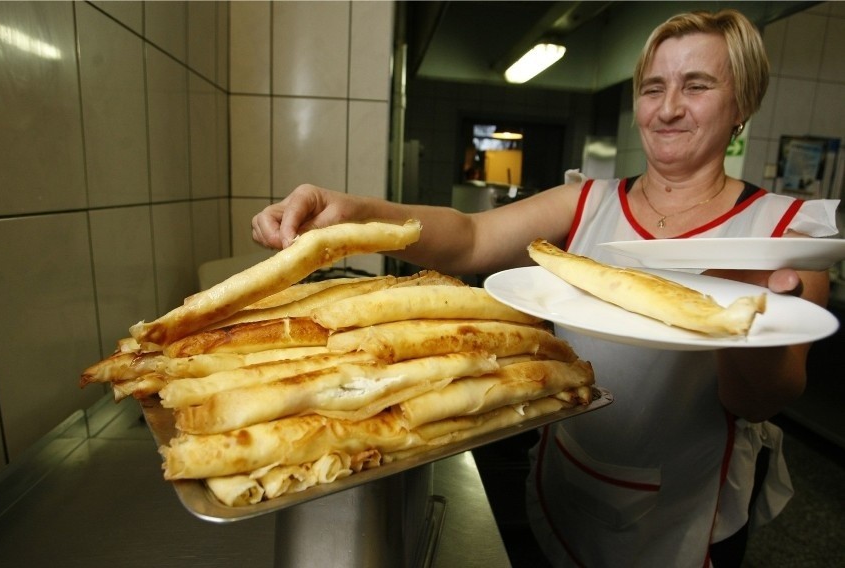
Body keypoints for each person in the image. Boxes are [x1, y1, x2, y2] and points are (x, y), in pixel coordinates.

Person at [252, 9, 840, 567]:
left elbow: (758, 402)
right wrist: (352, 215)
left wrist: (743, 323)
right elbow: (469, 238)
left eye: (697, 85)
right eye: (653, 87)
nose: (668, 108)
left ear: (743, 102)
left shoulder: (786, 235)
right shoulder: (587, 201)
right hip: (565, 474)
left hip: (688, 505)